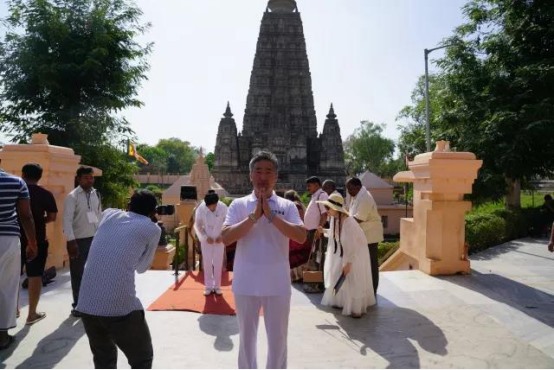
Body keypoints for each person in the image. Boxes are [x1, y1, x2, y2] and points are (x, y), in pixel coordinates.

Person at [221, 151, 306, 369]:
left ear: (276, 176)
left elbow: (301, 235)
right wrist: (253, 217)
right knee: (247, 339)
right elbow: (226, 237)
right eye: (258, 171)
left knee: (278, 340)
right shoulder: (239, 205)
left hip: (277, 282)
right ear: (250, 175)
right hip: (245, 281)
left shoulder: (287, 207)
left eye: (268, 171)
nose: (263, 176)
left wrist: (271, 216)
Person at [76, 189, 161, 369]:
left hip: (86, 305)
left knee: (104, 360)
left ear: (129, 205)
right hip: (120, 308)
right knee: (142, 359)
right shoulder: (152, 229)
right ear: (153, 212)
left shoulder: (108, 214)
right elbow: (142, 268)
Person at [317, 193, 375, 318]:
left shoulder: (349, 223)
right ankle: (341, 301)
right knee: (341, 275)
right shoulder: (336, 220)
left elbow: (352, 245)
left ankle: (356, 309)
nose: (326, 210)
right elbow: (337, 236)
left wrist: (348, 263)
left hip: (356, 254)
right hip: (346, 251)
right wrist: (325, 231)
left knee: (353, 277)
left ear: (336, 209)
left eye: (328, 208)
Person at [0, 164, 37, 350]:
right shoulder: (16, 182)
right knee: (6, 287)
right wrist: (33, 242)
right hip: (7, 239)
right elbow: (25, 215)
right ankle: (2, 336)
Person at [19, 163, 58, 326]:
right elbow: (52, 216)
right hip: (38, 239)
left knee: (11, 276)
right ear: (39, 176)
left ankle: (12, 310)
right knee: (35, 276)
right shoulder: (45, 194)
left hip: (15, 238)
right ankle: (32, 314)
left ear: (22, 174)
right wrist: (39, 221)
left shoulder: (16, 191)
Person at [63, 166, 102, 317]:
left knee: (94, 272)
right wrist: (71, 241)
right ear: (78, 179)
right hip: (78, 240)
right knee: (78, 274)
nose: (89, 180)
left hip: (96, 239)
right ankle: (78, 305)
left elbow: (98, 215)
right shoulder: (72, 196)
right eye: (86, 177)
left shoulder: (96, 193)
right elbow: (66, 220)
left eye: (91, 177)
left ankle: (92, 302)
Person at [345, 177, 384, 296]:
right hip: (361, 234)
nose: (348, 191)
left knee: (371, 263)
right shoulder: (355, 196)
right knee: (363, 262)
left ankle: (373, 289)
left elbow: (359, 218)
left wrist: (343, 223)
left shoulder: (365, 197)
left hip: (370, 235)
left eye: (350, 188)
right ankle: (366, 288)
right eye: (347, 189)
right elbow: (351, 214)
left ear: (358, 187)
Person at [194, 190, 228, 296]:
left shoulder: (223, 207)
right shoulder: (201, 208)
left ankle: (217, 286)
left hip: (219, 238)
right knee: (207, 263)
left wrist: (222, 236)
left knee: (218, 263)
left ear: (217, 203)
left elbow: (228, 222)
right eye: (209, 206)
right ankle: (208, 286)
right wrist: (204, 237)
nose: (210, 208)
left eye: (212, 206)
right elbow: (198, 225)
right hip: (207, 239)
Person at [303, 176, 328, 292]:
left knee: (318, 257)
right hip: (310, 231)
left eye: (310, 185)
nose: (308, 188)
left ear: (317, 185)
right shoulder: (314, 196)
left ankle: (319, 284)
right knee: (313, 257)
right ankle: (313, 282)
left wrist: (319, 229)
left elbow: (324, 214)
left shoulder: (322, 195)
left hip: (317, 232)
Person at [284, 190, 307, 282]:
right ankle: (298, 275)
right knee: (298, 254)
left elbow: (299, 219)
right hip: (298, 230)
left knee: (295, 254)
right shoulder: (298, 204)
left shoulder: (295, 205)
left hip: (296, 230)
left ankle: (297, 276)